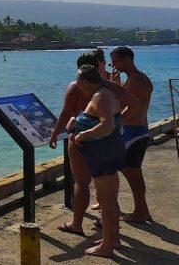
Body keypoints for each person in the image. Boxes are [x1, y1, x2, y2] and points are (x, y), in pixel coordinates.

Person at [51, 53, 138, 236]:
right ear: (98, 67)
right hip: (108, 141)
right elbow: (135, 104)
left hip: (82, 139)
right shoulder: (110, 86)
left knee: (82, 183)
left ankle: (77, 223)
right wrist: (118, 120)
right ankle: (108, 224)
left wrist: (55, 134)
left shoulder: (76, 87)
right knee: (108, 185)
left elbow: (66, 113)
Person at [69, 64, 125, 258]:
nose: (78, 87)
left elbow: (107, 123)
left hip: (103, 154)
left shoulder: (101, 96)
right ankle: (112, 238)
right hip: (108, 151)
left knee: (106, 200)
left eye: (79, 84)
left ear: (85, 81)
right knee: (109, 199)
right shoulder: (106, 93)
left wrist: (84, 133)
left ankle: (107, 247)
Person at [110, 46, 153, 223]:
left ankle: (140, 212)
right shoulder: (137, 79)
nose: (115, 66)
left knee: (133, 174)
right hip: (138, 130)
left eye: (116, 62)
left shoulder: (135, 81)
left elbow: (128, 107)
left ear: (127, 59)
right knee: (132, 172)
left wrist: (114, 123)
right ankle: (143, 210)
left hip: (133, 132)